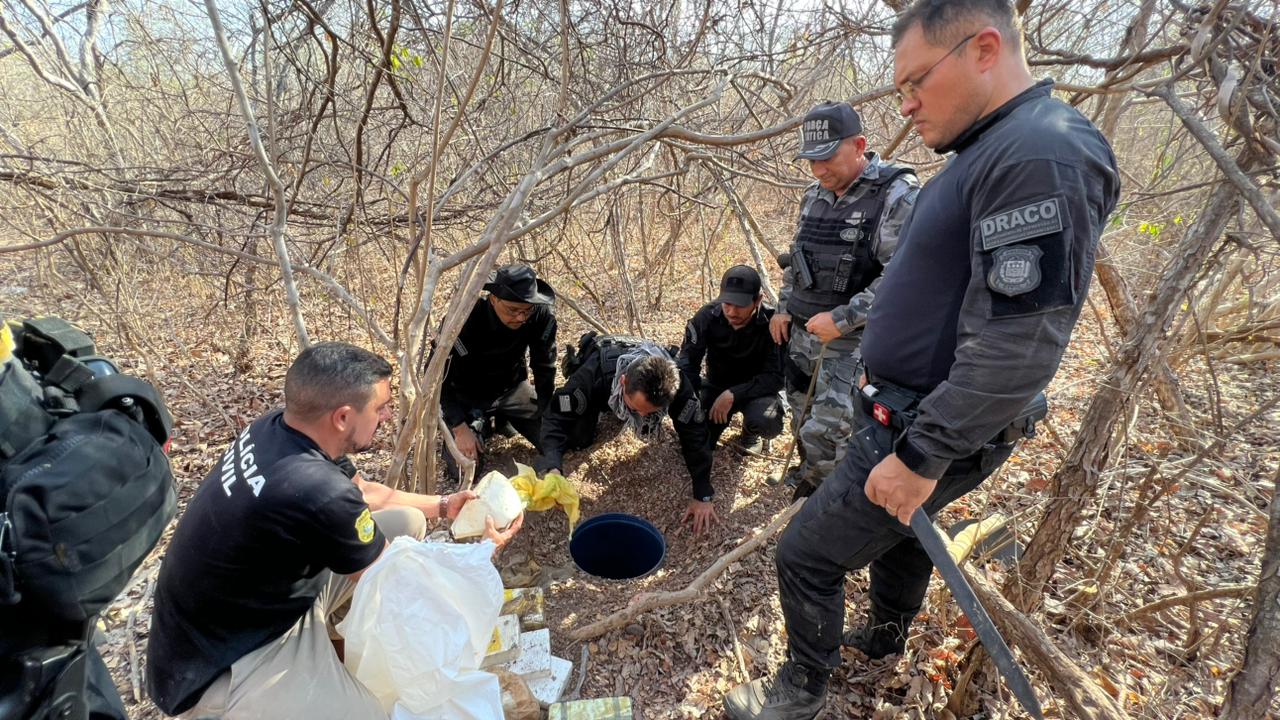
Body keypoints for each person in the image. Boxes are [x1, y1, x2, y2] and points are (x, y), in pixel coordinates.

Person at [724, 0, 1119, 717]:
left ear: (985, 49)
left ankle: (799, 693)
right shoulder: (997, 149)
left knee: (805, 556)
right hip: (908, 411)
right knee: (902, 533)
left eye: (916, 81)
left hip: (920, 425)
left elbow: (1021, 339)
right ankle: (884, 634)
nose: (906, 105)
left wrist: (920, 454)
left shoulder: (1042, 151)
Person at [147, 342, 522, 720]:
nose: (388, 416)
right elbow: (398, 582)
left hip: (254, 596)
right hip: (225, 657)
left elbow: (362, 492)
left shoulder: (279, 429)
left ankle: (329, 647)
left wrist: (443, 506)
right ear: (343, 417)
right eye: (380, 408)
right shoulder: (318, 491)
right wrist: (481, 555)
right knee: (373, 714)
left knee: (409, 523)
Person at [770, 100, 920, 493]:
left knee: (829, 428)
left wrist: (843, 319)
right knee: (801, 414)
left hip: (854, 340)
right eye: (811, 161)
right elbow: (799, 256)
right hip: (803, 330)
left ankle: (824, 497)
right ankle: (809, 477)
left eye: (828, 159)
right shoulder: (814, 194)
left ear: (859, 145)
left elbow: (904, 277)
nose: (819, 170)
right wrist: (783, 309)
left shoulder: (895, 195)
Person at [533, 336, 719, 533]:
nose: (643, 416)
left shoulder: (675, 384)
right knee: (579, 438)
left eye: (650, 412)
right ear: (623, 382)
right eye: (636, 408)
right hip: (602, 382)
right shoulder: (593, 374)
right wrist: (552, 466)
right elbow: (555, 417)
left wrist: (703, 494)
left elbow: (695, 435)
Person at [438, 264, 557, 483]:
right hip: (466, 396)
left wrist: (547, 410)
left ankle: (499, 419)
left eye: (526, 310)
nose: (521, 317)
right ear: (493, 299)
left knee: (561, 438)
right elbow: (438, 380)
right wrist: (459, 427)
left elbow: (544, 365)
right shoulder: (463, 319)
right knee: (465, 470)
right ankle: (482, 424)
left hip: (511, 389)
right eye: (513, 310)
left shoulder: (539, 314)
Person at [677, 265, 785, 455]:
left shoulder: (772, 323)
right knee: (697, 440)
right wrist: (691, 400)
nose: (732, 312)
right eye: (727, 304)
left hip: (756, 392)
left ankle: (750, 433)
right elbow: (687, 363)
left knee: (767, 422)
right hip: (715, 387)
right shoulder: (707, 316)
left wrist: (733, 394)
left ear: (757, 300)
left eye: (740, 305)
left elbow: (776, 377)